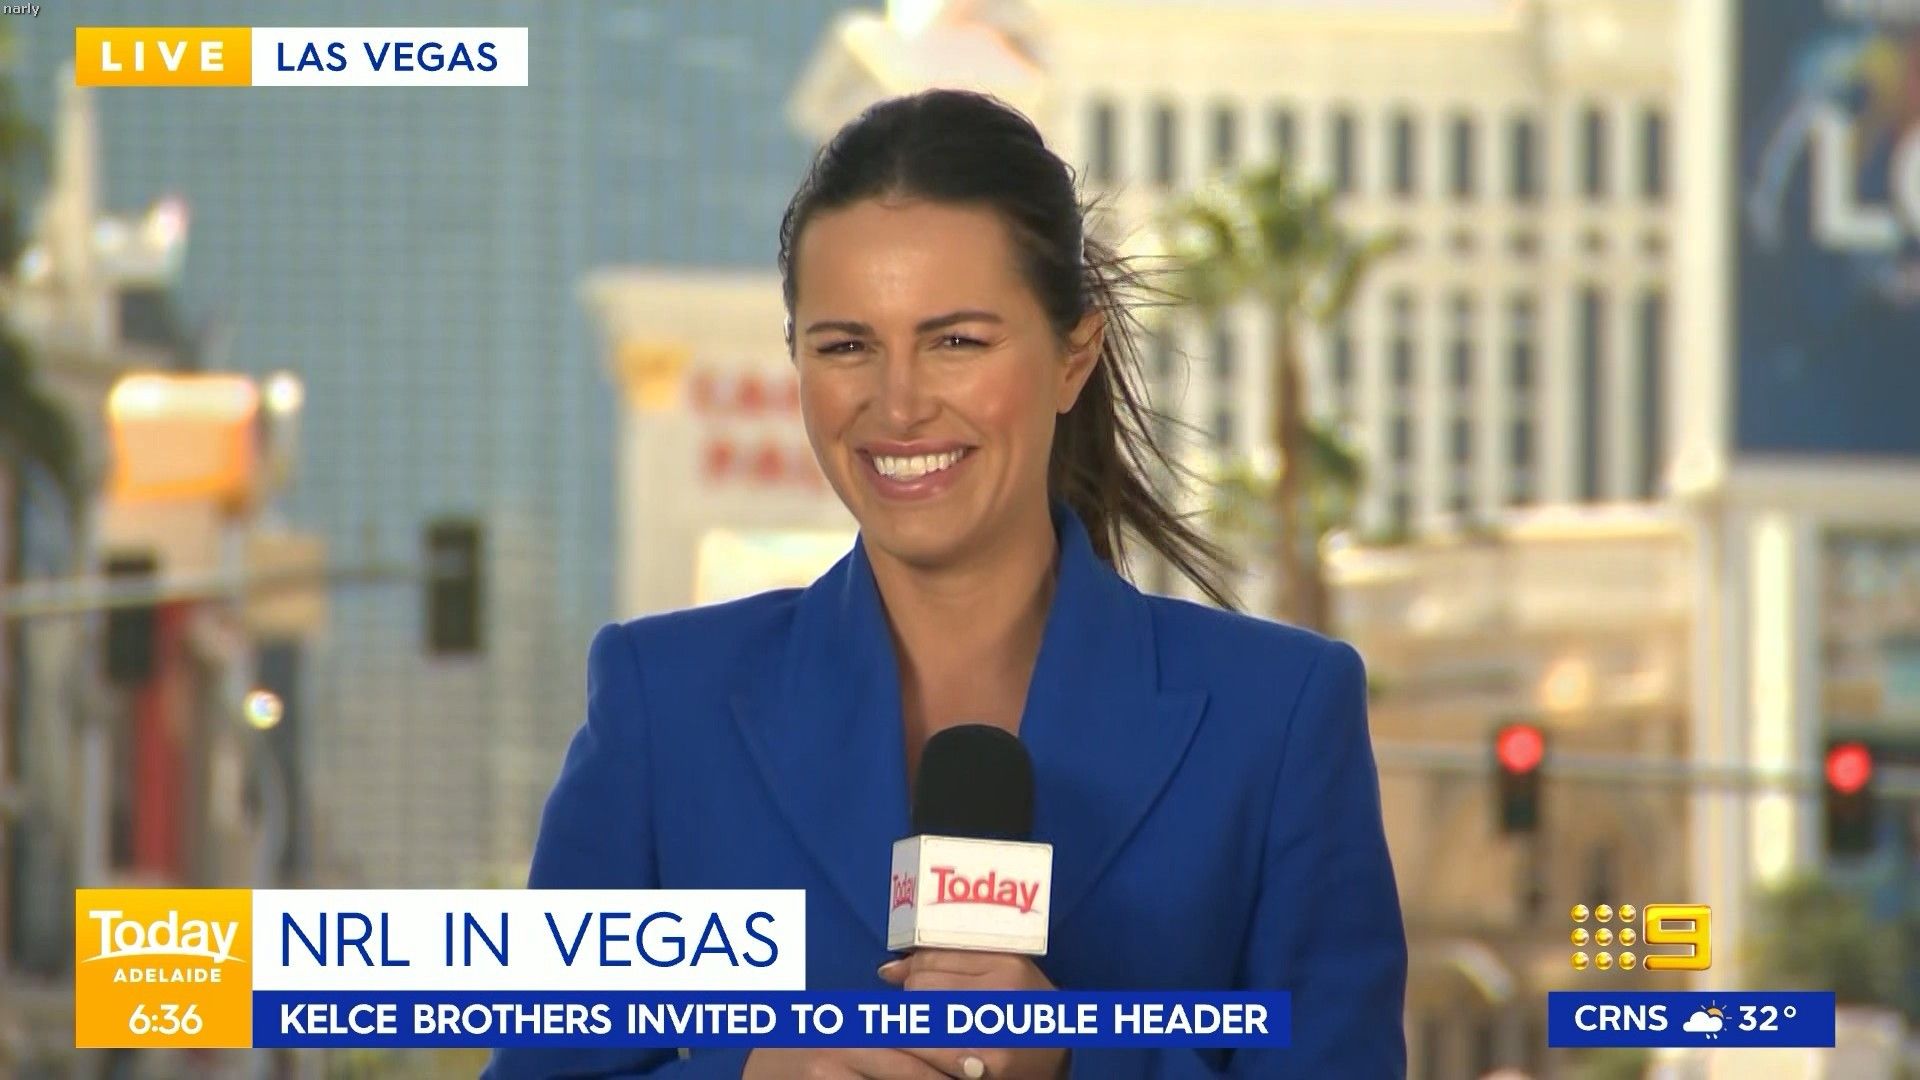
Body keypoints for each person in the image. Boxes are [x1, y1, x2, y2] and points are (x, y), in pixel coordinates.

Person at [486, 89, 1405, 1080]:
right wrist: (756, 1072)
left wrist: (1074, 1059)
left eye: (957, 341)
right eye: (846, 346)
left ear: (1074, 357)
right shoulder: (664, 707)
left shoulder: (1277, 719)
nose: (899, 404)